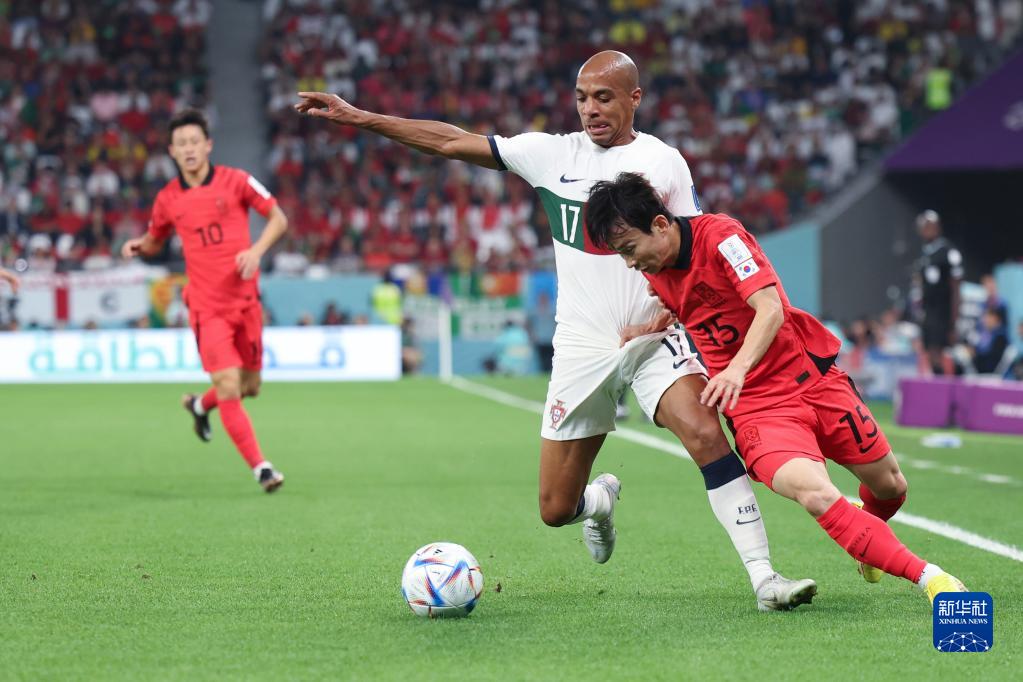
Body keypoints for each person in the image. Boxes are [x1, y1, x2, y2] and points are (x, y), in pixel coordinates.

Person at [296, 51, 816, 611]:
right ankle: (599, 503)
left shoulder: (664, 163)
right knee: (554, 508)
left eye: (604, 98)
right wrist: (361, 117)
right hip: (580, 347)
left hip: (649, 338)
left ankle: (765, 579)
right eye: (582, 98)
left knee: (706, 435)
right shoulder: (550, 155)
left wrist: (670, 315)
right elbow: (450, 142)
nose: (591, 109)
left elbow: (690, 246)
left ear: (634, 99)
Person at [584, 171, 968, 603]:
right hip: (758, 410)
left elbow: (770, 309)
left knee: (892, 487)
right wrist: (649, 326)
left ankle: (868, 539)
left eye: (629, 249)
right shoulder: (656, 270)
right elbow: (687, 306)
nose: (630, 264)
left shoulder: (724, 238)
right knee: (816, 494)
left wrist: (736, 368)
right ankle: (933, 580)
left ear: (659, 224)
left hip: (814, 381)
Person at [121, 109, 289, 493]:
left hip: (246, 302)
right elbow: (155, 239)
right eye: (181, 143)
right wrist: (139, 245)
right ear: (172, 151)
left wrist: (256, 251)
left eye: (194, 141)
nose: (189, 149)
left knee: (249, 386)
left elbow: (278, 218)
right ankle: (262, 469)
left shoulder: (237, 181)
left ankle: (199, 406)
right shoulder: (167, 198)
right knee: (228, 384)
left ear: (208, 145)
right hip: (206, 307)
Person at [915, 210, 962, 375]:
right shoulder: (925, 252)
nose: (926, 230)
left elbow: (956, 286)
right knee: (928, 351)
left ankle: (944, 386)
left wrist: (954, 319)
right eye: (923, 227)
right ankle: (936, 382)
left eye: (929, 226)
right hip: (928, 311)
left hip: (942, 311)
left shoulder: (948, 251)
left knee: (938, 352)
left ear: (937, 227)